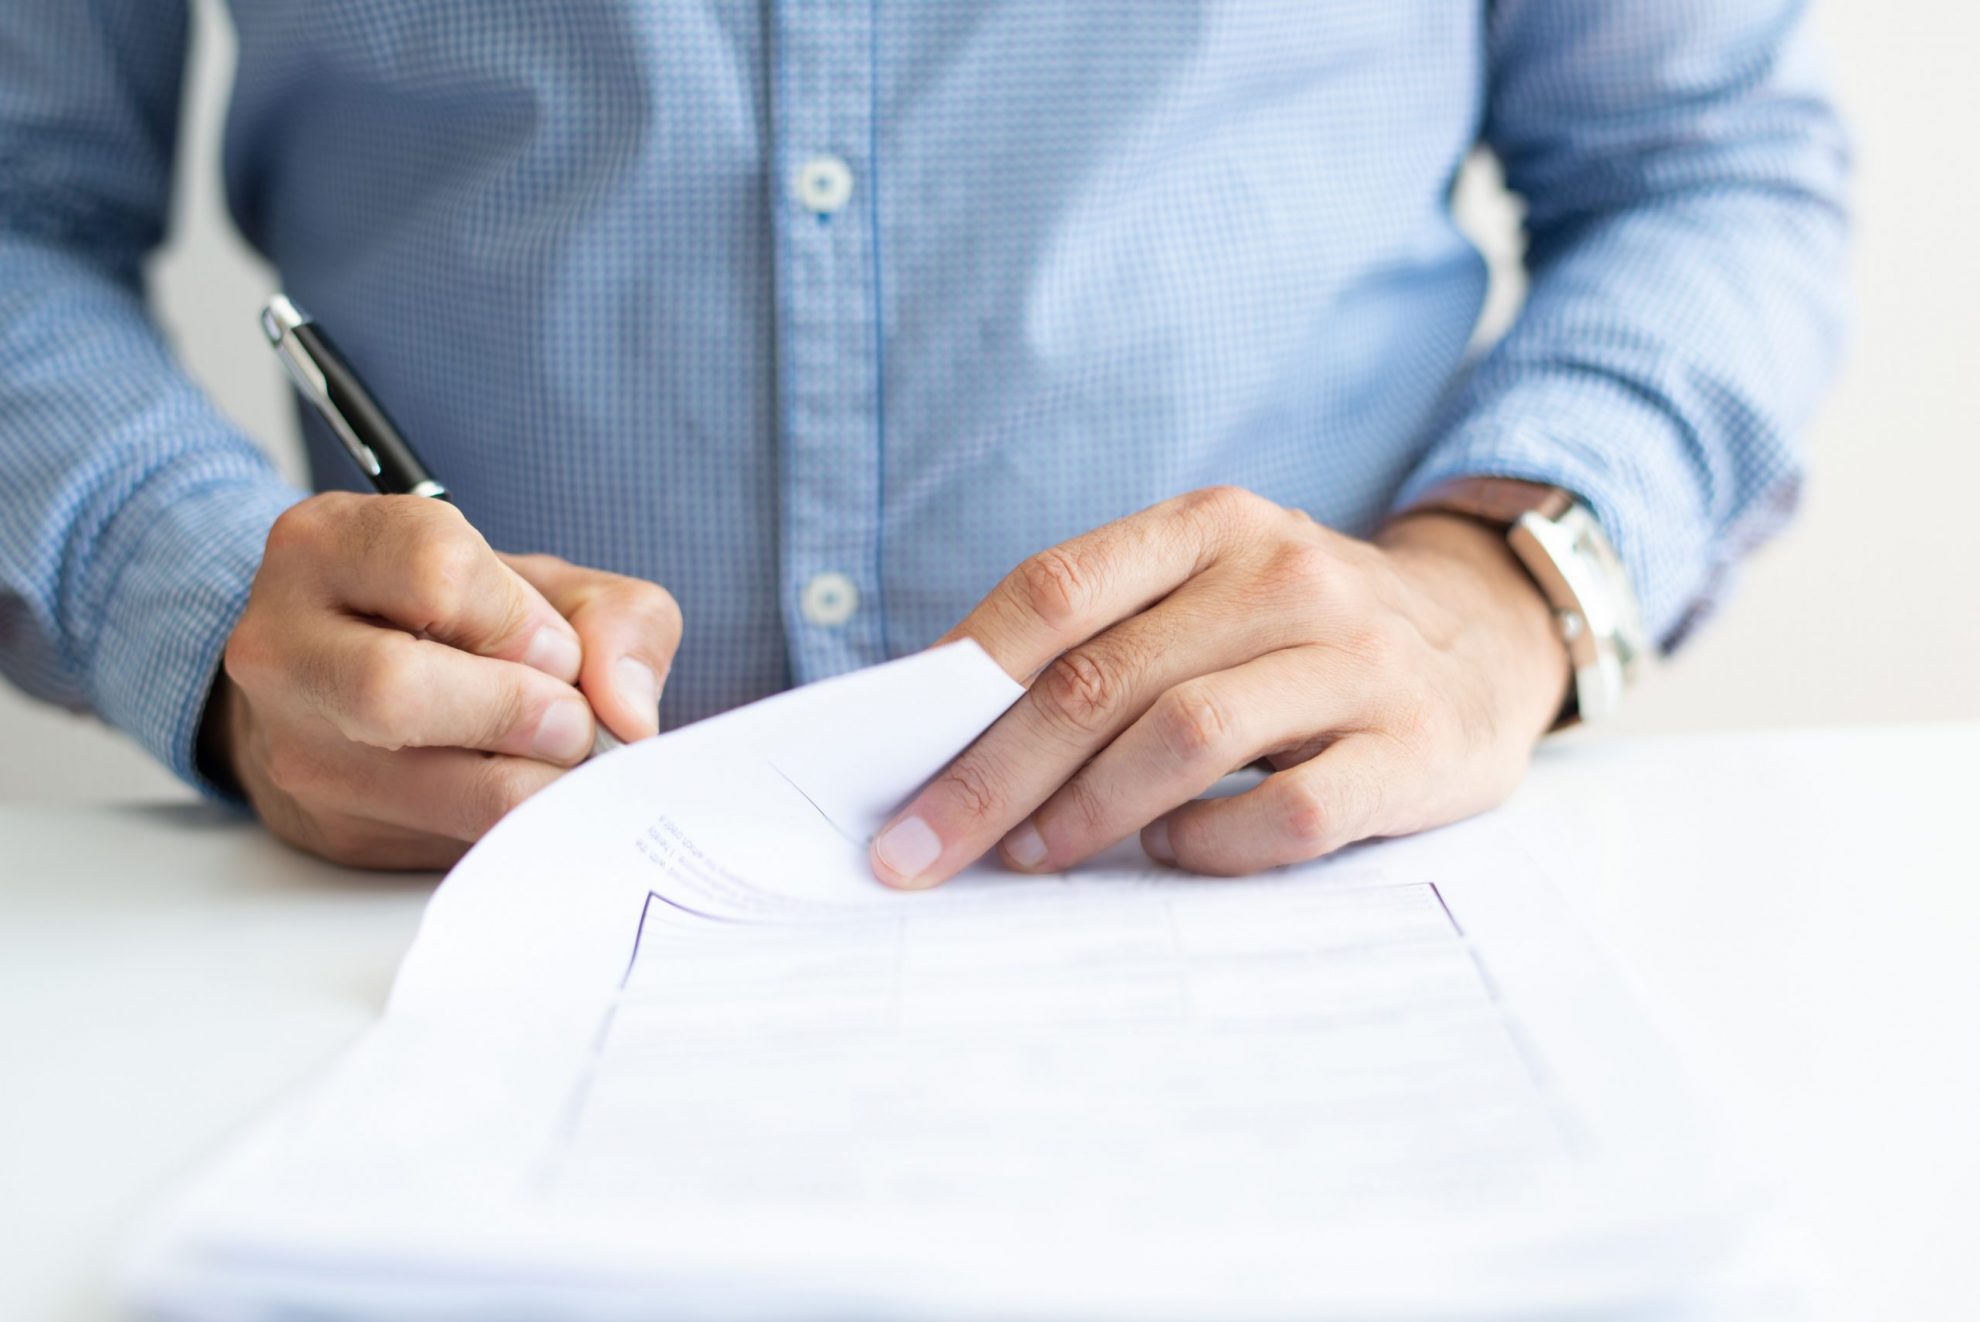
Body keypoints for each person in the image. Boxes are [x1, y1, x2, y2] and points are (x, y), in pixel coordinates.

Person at [0, 3, 1847, 882]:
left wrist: (1499, 589)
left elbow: (1707, 163)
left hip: (1296, 896)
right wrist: (207, 605)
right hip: (442, 923)